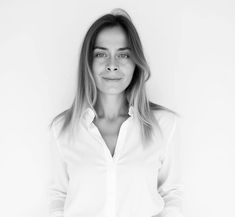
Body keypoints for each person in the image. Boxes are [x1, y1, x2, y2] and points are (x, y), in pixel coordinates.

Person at [47, 8, 184, 217]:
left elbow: (171, 194)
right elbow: (58, 196)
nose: (112, 65)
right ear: (88, 62)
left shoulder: (164, 125)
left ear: (135, 62)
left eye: (123, 55)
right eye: (101, 54)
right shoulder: (63, 129)